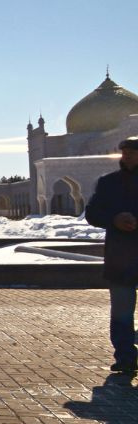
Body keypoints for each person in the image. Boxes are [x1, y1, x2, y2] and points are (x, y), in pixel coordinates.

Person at [85, 136, 138, 373]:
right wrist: (114, 220)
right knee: (122, 312)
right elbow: (93, 213)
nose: (127, 156)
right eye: (124, 152)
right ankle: (126, 357)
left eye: (132, 152)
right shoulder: (109, 183)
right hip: (121, 258)